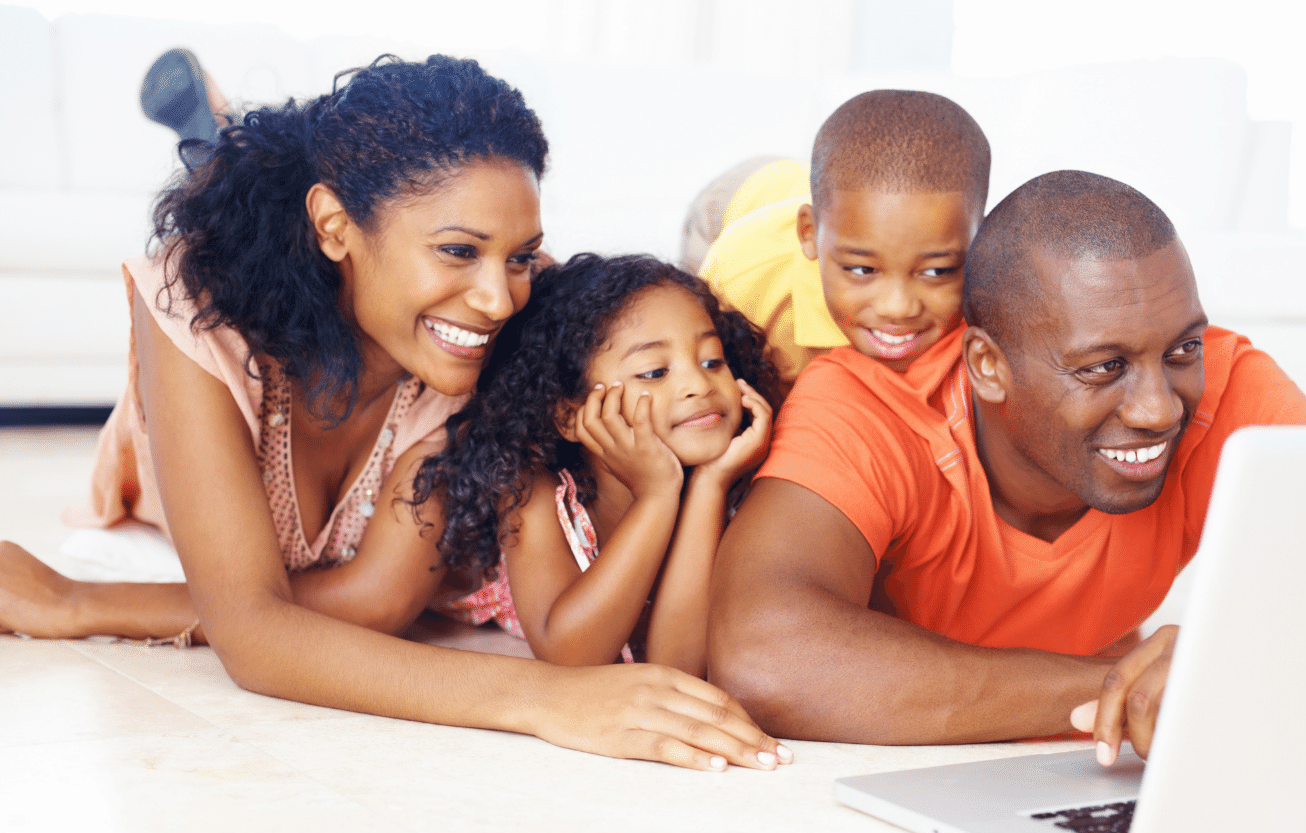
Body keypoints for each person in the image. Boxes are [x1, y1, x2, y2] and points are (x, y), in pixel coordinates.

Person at [0, 54, 789, 773]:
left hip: (346, 277)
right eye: (457, 251)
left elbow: (372, 600)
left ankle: (232, 145)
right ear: (336, 227)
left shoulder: (501, 338)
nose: (495, 300)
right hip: (256, 296)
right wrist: (543, 700)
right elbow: (255, 637)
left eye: (518, 256)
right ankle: (219, 141)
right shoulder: (191, 302)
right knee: (227, 208)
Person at [708, 170, 1306, 766]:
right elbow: (763, 655)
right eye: (1103, 367)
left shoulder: (1230, 387)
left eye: (1182, 348)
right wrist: (1126, 686)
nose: (1158, 408)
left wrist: (1237, 660)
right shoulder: (867, 407)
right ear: (988, 365)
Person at [417, 253, 780, 678]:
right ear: (572, 415)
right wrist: (657, 494)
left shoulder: (741, 484)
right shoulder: (534, 491)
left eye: (712, 361)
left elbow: (676, 667)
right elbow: (571, 654)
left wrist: (710, 487)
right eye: (654, 371)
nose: (699, 386)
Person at [692, 89, 990, 383]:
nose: (897, 308)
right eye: (862, 269)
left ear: (981, 240)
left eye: (937, 271)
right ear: (809, 234)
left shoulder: (997, 295)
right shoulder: (740, 282)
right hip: (738, 199)